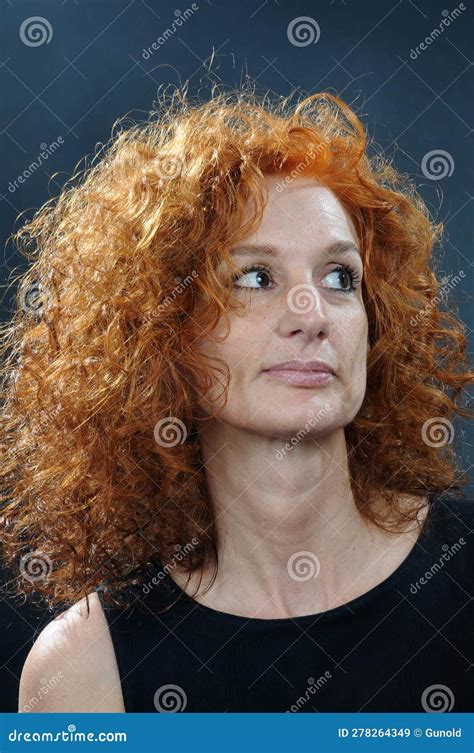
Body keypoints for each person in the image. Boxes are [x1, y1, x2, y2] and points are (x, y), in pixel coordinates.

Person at [1, 85, 472, 713]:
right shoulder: (83, 670)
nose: (312, 315)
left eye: (340, 278)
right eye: (254, 277)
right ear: (162, 333)